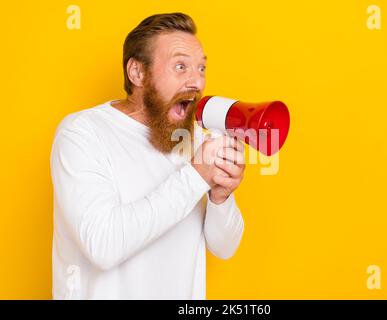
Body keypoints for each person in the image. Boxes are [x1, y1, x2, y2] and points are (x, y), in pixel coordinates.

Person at [50, 12, 245, 299]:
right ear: (137, 73)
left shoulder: (197, 141)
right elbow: (103, 246)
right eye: (181, 66)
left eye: (201, 69)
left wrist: (221, 197)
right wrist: (195, 175)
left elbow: (225, 248)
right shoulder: (81, 133)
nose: (196, 82)